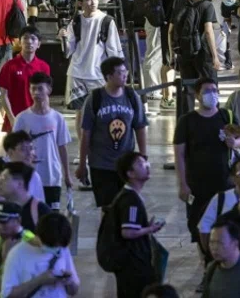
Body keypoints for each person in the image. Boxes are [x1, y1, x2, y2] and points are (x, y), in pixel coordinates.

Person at [78, 56, 147, 206]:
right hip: (101, 164)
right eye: (120, 72)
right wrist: (83, 163)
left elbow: (140, 126)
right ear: (109, 76)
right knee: (107, 207)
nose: (125, 75)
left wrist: (143, 155)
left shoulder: (131, 96)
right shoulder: (95, 98)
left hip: (126, 165)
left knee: (126, 205)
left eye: (125, 71)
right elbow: (86, 133)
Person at [174, 76, 231, 256]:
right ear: (197, 95)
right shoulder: (187, 121)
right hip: (197, 183)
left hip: (222, 181)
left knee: (223, 221)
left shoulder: (225, 116)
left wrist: (234, 143)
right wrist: (182, 183)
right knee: (198, 223)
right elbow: (179, 154)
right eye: (207, 91)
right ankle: (205, 259)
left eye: (214, 91)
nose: (212, 95)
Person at [12, 74, 72, 209]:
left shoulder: (58, 118)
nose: (36, 93)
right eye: (33, 89)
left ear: (49, 90)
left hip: (52, 177)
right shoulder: (22, 118)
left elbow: (62, 147)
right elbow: (13, 149)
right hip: (29, 178)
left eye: (40, 89)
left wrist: (67, 175)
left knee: (51, 216)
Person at [107, 152, 161, 298]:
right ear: (130, 173)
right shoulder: (131, 200)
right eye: (140, 164)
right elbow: (128, 232)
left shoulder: (129, 196)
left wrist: (144, 227)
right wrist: (150, 229)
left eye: (145, 163)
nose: (147, 166)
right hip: (133, 265)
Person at [0, 212, 79, 298]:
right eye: (51, 246)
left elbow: (74, 291)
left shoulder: (62, 249)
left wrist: (70, 282)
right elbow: (6, 294)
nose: (55, 250)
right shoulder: (17, 253)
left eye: (58, 247)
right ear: (38, 236)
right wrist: (39, 281)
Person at [0, 26, 49, 132]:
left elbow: (45, 95)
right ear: (19, 42)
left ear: (38, 44)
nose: (29, 41)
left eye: (33, 38)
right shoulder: (9, 66)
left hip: (37, 118)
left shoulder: (44, 67)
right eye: (25, 38)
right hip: (15, 118)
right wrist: (11, 118)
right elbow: (4, 95)